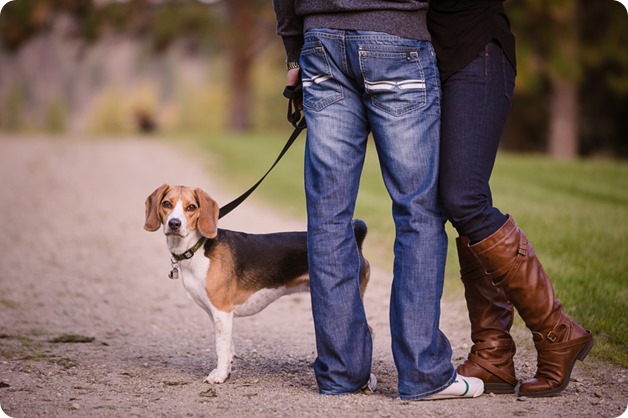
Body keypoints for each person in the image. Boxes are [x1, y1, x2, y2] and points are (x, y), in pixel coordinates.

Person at [272, 0, 483, 401]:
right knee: (417, 211)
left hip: (321, 42)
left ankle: (340, 372)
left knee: (328, 218)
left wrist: (293, 48)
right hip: (398, 36)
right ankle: (422, 373)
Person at [427, 1, 594, 397]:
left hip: (475, 47)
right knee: (450, 200)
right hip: (429, 58)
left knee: (464, 198)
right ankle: (493, 353)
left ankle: (558, 332)